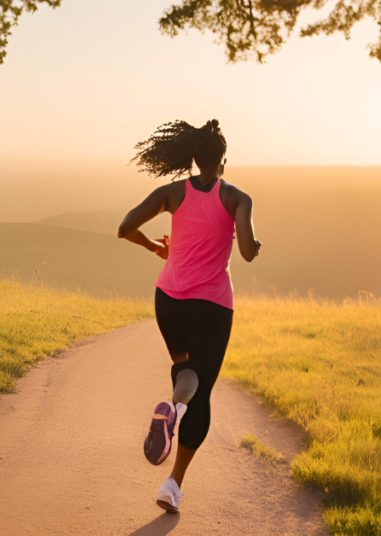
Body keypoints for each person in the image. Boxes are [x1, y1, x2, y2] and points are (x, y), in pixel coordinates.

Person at [117, 119, 261, 514]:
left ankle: (176, 405)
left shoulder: (172, 192)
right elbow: (247, 252)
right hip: (212, 305)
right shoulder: (236, 198)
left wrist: (155, 249)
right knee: (200, 390)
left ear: (194, 159)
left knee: (185, 370)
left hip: (169, 300)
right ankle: (172, 483)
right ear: (224, 161)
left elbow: (125, 227)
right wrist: (255, 242)